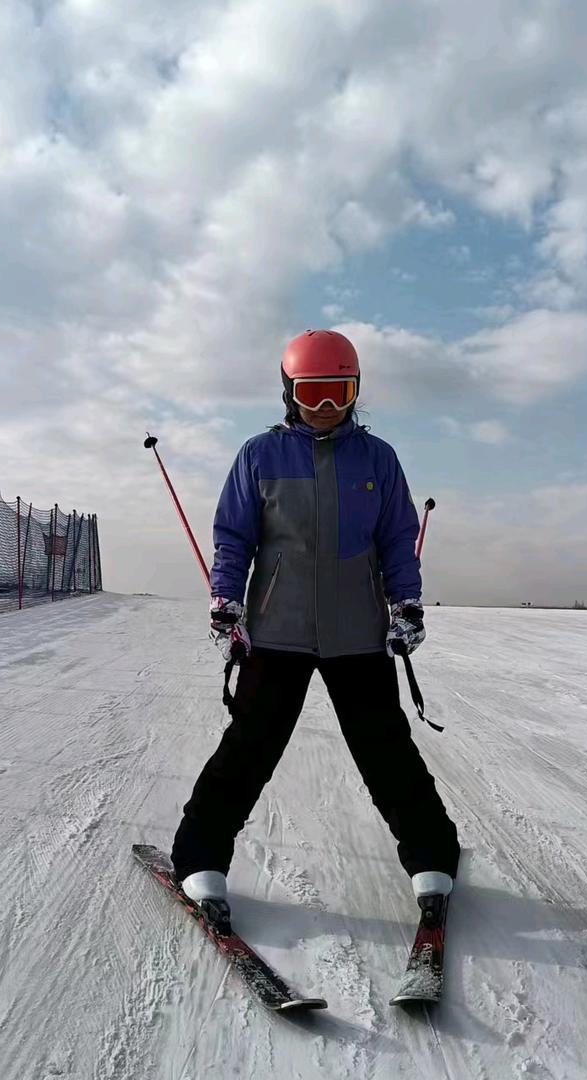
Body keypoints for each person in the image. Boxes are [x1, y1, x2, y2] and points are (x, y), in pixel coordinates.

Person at [170, 329, 460, 930]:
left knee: (386, 749)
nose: (326, 408)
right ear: (289, 392)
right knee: (250, 747)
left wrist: (406, 603)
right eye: (313, 393)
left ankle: (432, 854)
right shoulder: (260, 456)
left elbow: (396, 541)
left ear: (356, 392)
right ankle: (199, 855)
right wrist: (227, 602)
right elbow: (234, 537)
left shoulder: (377, 459)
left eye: (339, 393)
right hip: (278, 630)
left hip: (358, 632)